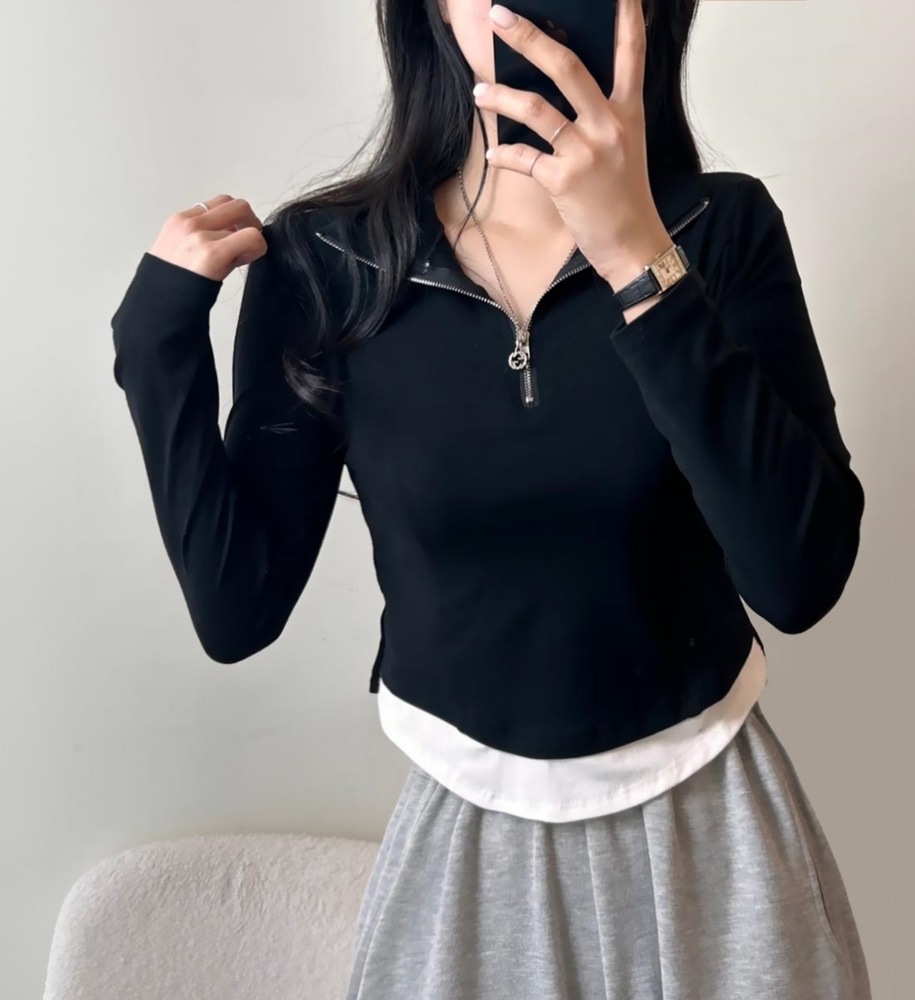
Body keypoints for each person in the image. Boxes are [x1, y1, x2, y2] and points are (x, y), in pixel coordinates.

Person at [110, 0, 873, 996]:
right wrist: (156, 344)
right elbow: (235, 607)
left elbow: (799, 580)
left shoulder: (720, 230)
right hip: (465, 840)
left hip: (717, 831)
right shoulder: (331, 261)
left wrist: (637, 258)